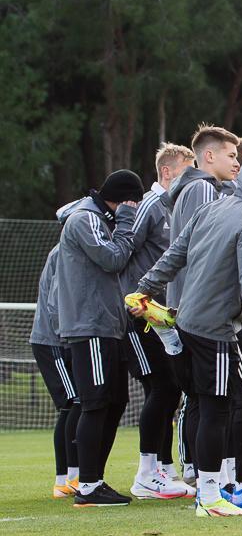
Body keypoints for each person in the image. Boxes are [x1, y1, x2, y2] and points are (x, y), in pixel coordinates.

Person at [137, 152, 242, 516]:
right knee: (214, 407)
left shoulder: (212, 208)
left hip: (195, 321)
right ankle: (211, 495)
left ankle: (240, 484)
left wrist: (145, 287)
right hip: (215, 328)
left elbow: (175, 254)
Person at [57, 170, 142, 507]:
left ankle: (95, 480)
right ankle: (88, 485)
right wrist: (126, 223)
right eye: (133, 204)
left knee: (115, 401)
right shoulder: (86, 219)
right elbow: (113, 259)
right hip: (90, 325)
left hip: (107, 325)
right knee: (94, 403)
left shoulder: (99, 219)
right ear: (125, 200)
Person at [166, 124, 240, 484]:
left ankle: (204, 470)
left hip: (191, 305)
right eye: (232, 155)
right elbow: (202, 250)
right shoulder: (203, 189)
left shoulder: (198, 188)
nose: (237, 163)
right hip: (198, 308)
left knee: (203, 394)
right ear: (209, 156)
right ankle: (202, 471)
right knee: (205, 397)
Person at [121, 143, 195, 499]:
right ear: (167, 172)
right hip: (141, 315)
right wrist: (134, 299)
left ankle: (163, 468)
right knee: (162, 387)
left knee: (171, 389)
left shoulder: (173, 207)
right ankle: (146, 472)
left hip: (163, 316)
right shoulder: (150, 205)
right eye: (186, 170)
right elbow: (121, 252)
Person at [31, 235, 79, 498]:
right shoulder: (63, 252)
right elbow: (56, 302)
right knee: (72, 404)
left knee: (76, 404)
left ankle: (70, 477)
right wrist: (68, 337)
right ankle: (66, 479)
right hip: (53, 342)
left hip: (61, 340)